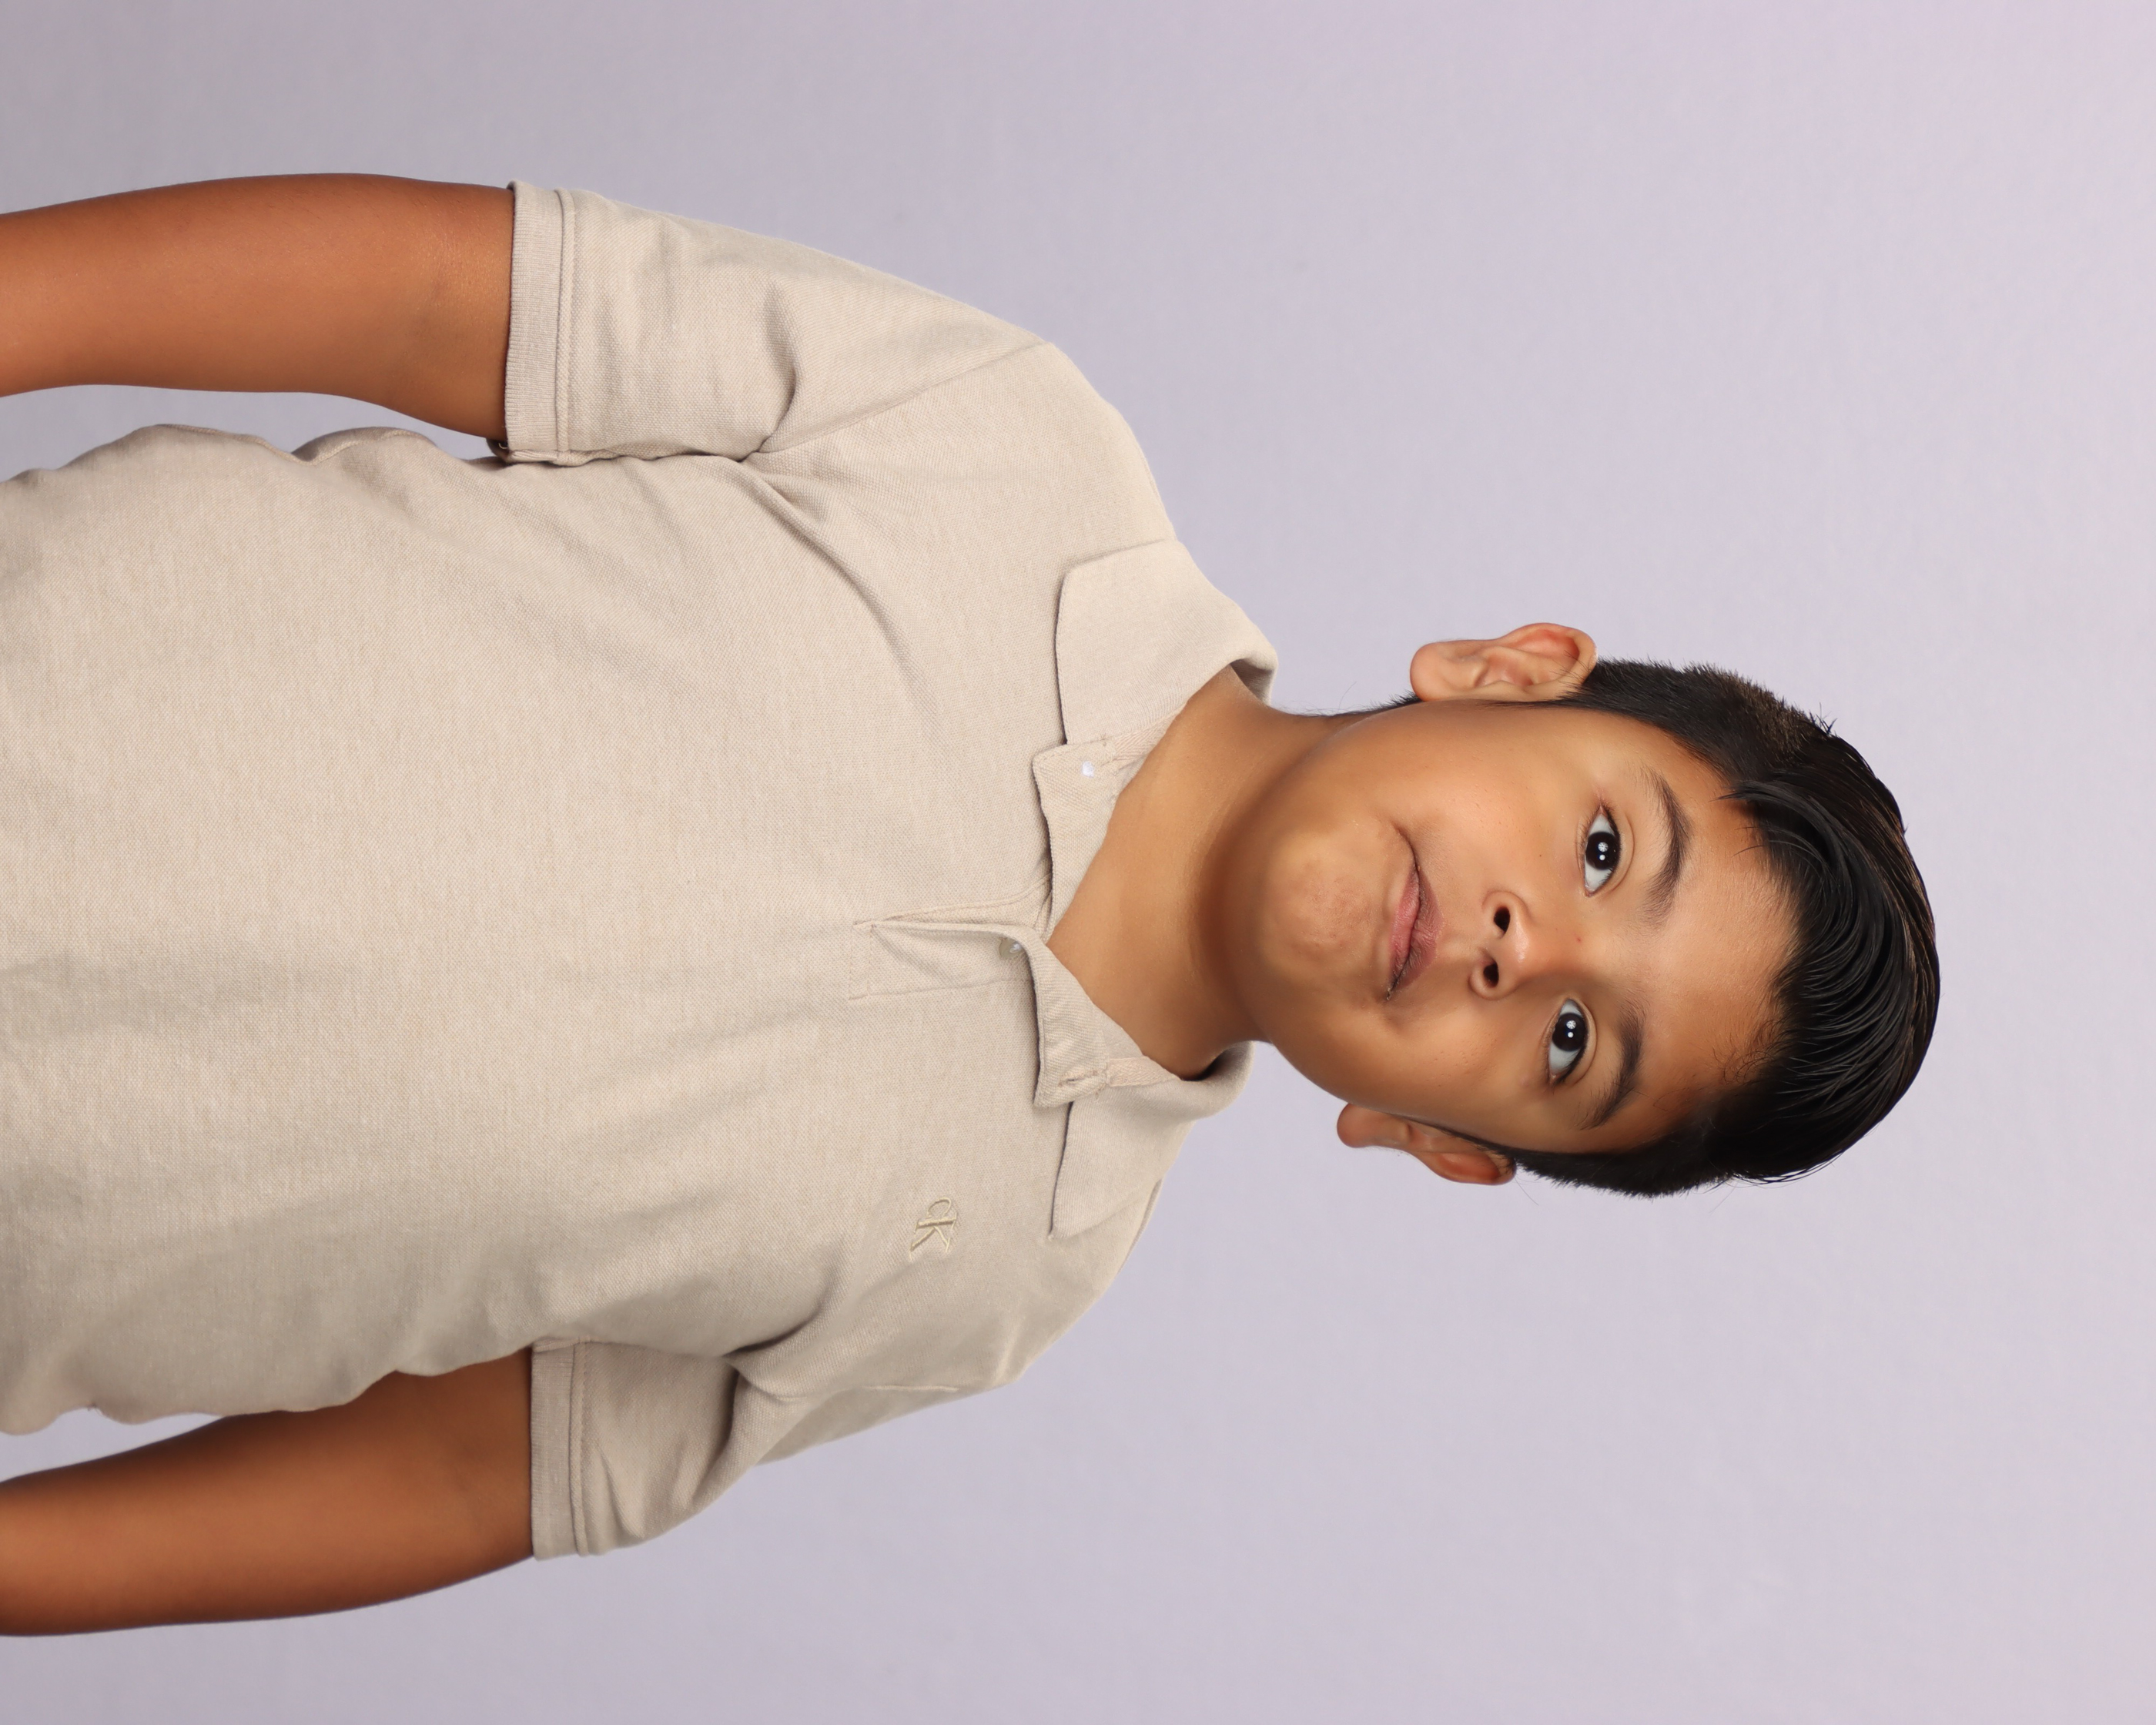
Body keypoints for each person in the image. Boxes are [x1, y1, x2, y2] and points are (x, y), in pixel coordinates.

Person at [0, 175, 1937, 1633]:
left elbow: (464, 1465)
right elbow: (447, 296)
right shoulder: (1007, 452)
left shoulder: (1001, 1272)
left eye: (1576, 1044)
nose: (1529, 948)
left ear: (1441, 1138)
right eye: (1601, 851)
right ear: (1506, 672)